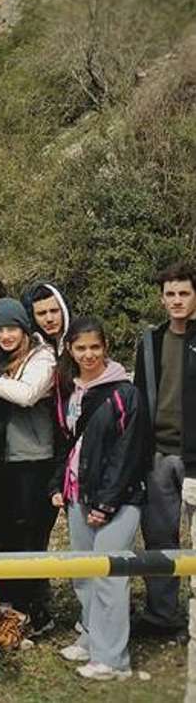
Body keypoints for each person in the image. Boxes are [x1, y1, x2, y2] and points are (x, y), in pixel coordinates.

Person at [52, 317, 149, 681]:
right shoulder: (68, 389)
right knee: (84, 572)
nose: (89, 354)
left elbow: (129, 452)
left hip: (118, 500)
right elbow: (65, 442)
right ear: (70, 351)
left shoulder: (124, 392)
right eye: (81, 348)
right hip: (78, 493)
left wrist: (106, 502)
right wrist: (56, 485)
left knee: (110, 575)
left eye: (95, 347)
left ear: (105, 346)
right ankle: (92, 637)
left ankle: (113, 659)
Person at [0, 297, 58, 634]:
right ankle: (7, 605)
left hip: (33, 459)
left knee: (30, 535)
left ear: (24, 328)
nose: (6, 335)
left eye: (12, 328)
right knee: (2, 533)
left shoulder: (42, 357)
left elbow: (26, 394)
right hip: (1, 460)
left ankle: (34, 608)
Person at [134, 261, 196, 637]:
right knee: (159, 538)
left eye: (184, 293)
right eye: (170, 294)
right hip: (158, 456)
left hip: (195, 460)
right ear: (162, 299)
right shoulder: (150, 341)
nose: (176, 300)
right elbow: (141, 397)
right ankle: (162, 615)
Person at [20, 281, 72, 355]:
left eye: (54, 311)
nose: (49, 319)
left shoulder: (80, 343)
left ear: (64, 310)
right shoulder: (29, 352)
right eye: (41, 314)